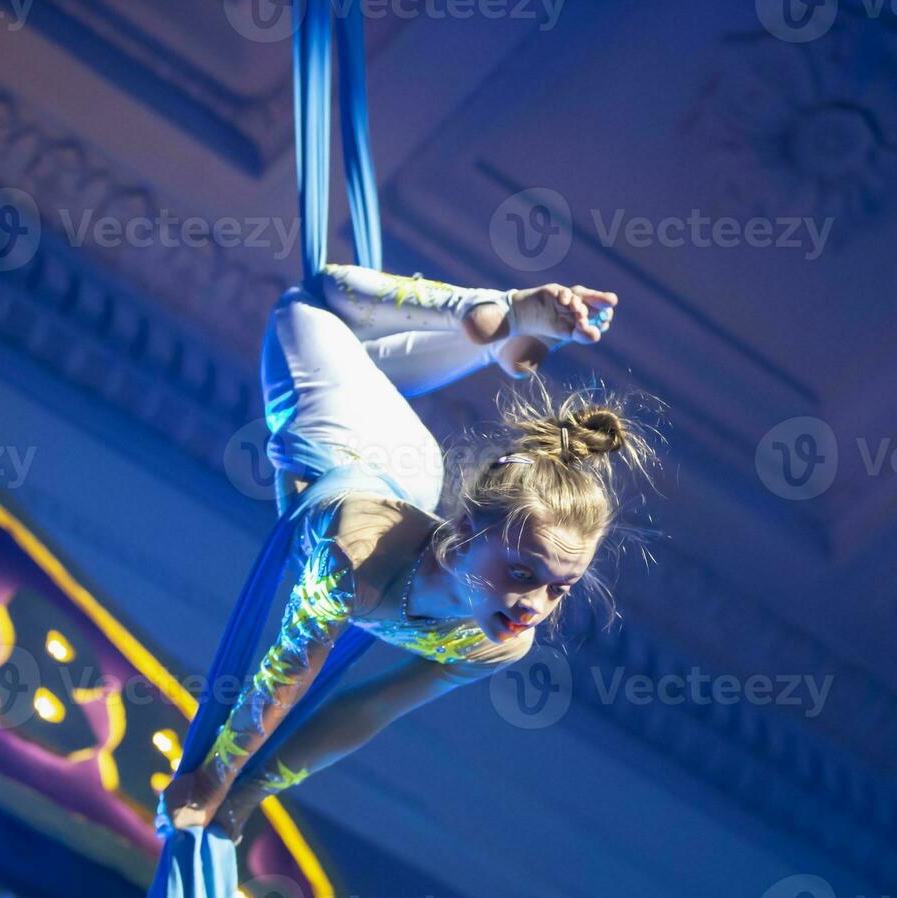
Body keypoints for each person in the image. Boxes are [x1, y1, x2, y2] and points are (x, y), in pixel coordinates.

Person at [154, 262, 659, 848]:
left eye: (559, 588)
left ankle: (497, 335)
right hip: (340, 435)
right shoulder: (354, 561)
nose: (534, 606)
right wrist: (212, 779)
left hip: (402, 469)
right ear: (467, 528)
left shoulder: (495, 641)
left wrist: (249, 792)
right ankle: (494, 310)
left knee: (359, 351)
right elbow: (286, 671)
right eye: (524, 572)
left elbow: (368, 709)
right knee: (310, 300)